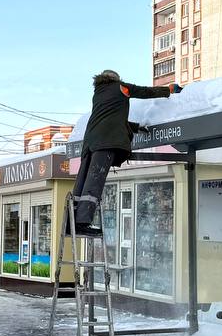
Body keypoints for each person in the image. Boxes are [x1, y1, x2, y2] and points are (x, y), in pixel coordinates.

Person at [71, 70, 181, 235]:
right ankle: (82, 222)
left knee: (82, 180)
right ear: (116, 79)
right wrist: (169, 90)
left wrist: (136, 127)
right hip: (105, 142)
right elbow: (145, 92)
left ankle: (71, 222)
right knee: (95, 181)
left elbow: (113, 119)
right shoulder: (120, 88)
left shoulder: (98, 94)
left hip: (89, 143)